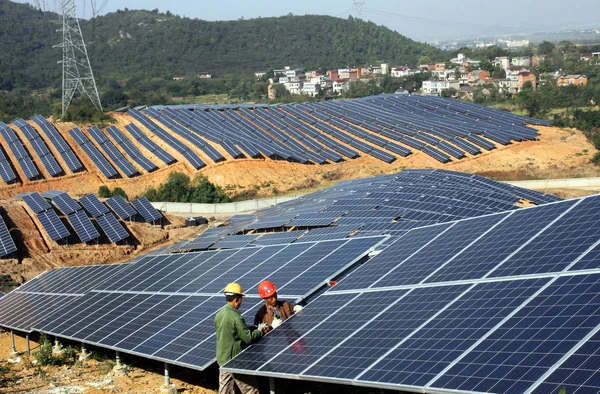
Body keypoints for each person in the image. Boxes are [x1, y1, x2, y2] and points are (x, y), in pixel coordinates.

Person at [215, 282, 268, 394]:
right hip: (236, 360)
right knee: (251, 390)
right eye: (241, 299)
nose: (241, 302)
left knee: (224, 390)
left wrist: (247, 327)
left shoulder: (219, 314)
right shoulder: (236, 317)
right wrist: (260, 331)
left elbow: (229, 331)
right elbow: (248, 338)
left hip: (223, 359)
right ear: (237, 299)